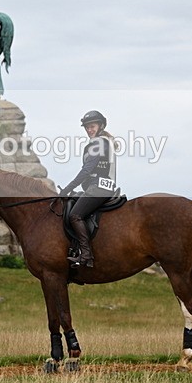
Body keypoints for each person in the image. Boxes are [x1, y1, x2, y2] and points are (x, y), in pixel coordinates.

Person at [59, 110, 119, 268]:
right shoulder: (102, 142)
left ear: (100, 126)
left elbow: (86, 171)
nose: (89, 130)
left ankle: (86, 255)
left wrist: (67, 189)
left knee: (75, 215)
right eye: (87, 127)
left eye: (92, 126)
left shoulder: (98, 143)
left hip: (99, 187)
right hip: (99, 186)